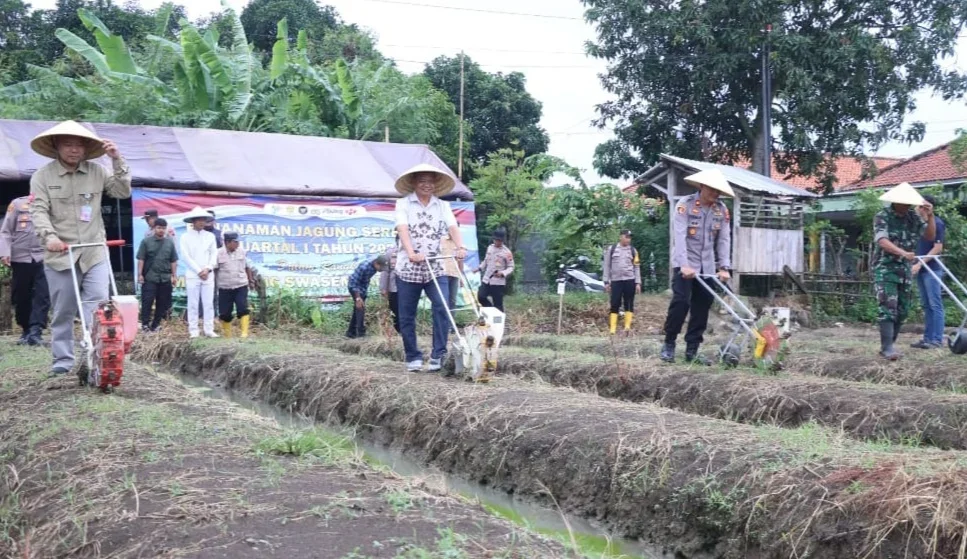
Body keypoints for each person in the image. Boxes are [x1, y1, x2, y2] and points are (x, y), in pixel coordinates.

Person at [28, 120, 131, 376]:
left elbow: (121, 191)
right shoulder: (42, 176)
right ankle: (62, 361)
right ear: (56, 146)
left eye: (78, 145)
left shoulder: (97, 172)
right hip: (61, 253)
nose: (74, 150)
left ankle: (95, 355)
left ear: (85, 148)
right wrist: (49, 237)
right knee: (63, 310)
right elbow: (39, 211)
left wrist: (117, 159)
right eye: (68, 145)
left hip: (93, 250)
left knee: (98, 306)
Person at [394, 164, 467, 373]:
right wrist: (411, 253)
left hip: (435, 266)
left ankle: (438, 355)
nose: (426, 185)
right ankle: (413, 357)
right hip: (409, 268)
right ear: (414, 183)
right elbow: (403, 229)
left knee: (442, 307)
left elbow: (452, 226)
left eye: (430, 181)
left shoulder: (442, 206)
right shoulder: (403, 204)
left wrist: (460, 247)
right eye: (422, 181)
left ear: (435, 184)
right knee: (407, 315)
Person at [659, 169, 733, 365]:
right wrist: (684, 265)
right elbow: (679, 237)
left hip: (707, 266)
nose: (715, 193)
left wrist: (724, 267)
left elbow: (724, 239)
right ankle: (669, 344)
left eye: (718, 191)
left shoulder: (721, 210)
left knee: (702, 306)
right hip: (685, 264)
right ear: (702, 186)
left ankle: (692, 350)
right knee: (681, 302)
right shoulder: (685, 205)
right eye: (712, 189)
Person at [872, 182, 936, 360]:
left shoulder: (912, 218)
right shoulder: (883, 216)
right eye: (905, 202)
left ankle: (890, 345)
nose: (908, 205)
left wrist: (930, 216)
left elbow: (930, 236)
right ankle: (887, 348)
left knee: (903, 310)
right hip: (885, 268)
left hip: (905, 270)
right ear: (896, 201)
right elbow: (882, 240)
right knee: (888, 307)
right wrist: (902, 253)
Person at [0, 194, 50, 346]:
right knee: (21, 295)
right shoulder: (17, 204)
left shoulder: (52, 202)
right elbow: (6, 231)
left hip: (45, 255)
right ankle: (25, 329)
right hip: (20, 257)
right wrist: (5, 252)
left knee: (42, 294)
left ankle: (36, 330)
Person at [911, 195, 946, 350]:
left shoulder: (937, 223)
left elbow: (938, 248)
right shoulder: (918, 224)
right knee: (926, 305)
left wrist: (920, 263)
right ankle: (927, 338)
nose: (920, 209)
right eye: (919, 206)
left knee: (935, 305)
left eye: (923, 207)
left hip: (932, 269)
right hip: (921, 269)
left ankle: (937, 339)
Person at [180, 206, 219, 339]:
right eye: (199, 220)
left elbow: (214, 254)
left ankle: (209, 329)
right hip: (193, 274)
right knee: (193, 303)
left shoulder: (210, 236)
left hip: (208, 274)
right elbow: (185, 257)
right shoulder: (185, 237)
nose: (202, 222)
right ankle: (193, 330)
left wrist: (207, 268)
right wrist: (198, 271)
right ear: (193, 221)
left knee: (208, 303)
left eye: (204, 220)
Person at [136, 217, 178, 332]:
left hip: (165, 278)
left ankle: (155, 324)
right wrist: (140, 275)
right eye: (159, 228)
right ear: (154, 228)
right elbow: (141, 259)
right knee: (147, 301)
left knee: (162, 302)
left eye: (163, 228)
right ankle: (145, 324)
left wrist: (174, 276)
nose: (161, 230)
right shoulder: (146, 242)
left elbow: (173, 260)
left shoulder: (169, 243)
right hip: (150, 277)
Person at [603, 230, 641, 337]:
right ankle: (612, 329)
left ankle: (627, 327)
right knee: (615, 303)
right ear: (621, 237)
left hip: (630, 280)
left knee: (629, 303)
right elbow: (606, 266)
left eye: (630, 237)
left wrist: (638, 282)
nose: (628, 239)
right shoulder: (612, 249)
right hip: (616, 280)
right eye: (626, 237)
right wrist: (606, 281)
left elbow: (637, 267)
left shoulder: (633, 250)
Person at [216, 232, 253, 338]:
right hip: (224, 287)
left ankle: (244, 334)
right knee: (225, 313)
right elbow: (214, 269)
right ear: (227, 242)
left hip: (240, 285)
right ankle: (227, 336)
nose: (237, 244)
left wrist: (251, 280)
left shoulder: (242, 251)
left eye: (238, 242)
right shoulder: (218, 253)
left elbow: (248, 267)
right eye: (235, 242)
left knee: (243, 308)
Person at [346, 254, 388, 338]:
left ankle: (350, 332)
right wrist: (358, 298)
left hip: (363, 288)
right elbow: (354, 283)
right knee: (360, 308)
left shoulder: (375, 265)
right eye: (381, 267)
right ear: (376, 263)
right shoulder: (364, 267)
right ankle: (361, 334)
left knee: (357, 309)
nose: (381, 270)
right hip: (354, 287)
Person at [475, 229, 514, 312]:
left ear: (502, 240)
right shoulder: (490, 248)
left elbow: (511, 267)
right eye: (496, 240)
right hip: (487, 279)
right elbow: (486, 261)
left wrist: (502, 273)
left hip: (498, 282)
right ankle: (492, 311)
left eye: (499, 240)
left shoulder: (507, 252)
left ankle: (499, 318)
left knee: (498, 304)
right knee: (481, 297)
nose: (497, 242)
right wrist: (479, 268)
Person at [440, 234, 464, 325]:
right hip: (443, 274)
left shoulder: (459, 243)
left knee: (452, 300)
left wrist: (461, 277)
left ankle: (451, 325)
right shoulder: (441, 240)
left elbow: (461, 261)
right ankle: (443, 324)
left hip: (454, 274)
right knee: (442, 299)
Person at [379, 239, 401, 333]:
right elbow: (384, 272)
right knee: (395, 310)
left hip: (409, 286)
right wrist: (383, 288)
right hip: (394, 287)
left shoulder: (411, 251)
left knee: (407, 310)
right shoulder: (390, 252)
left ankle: (406, 331)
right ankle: (399, 331)